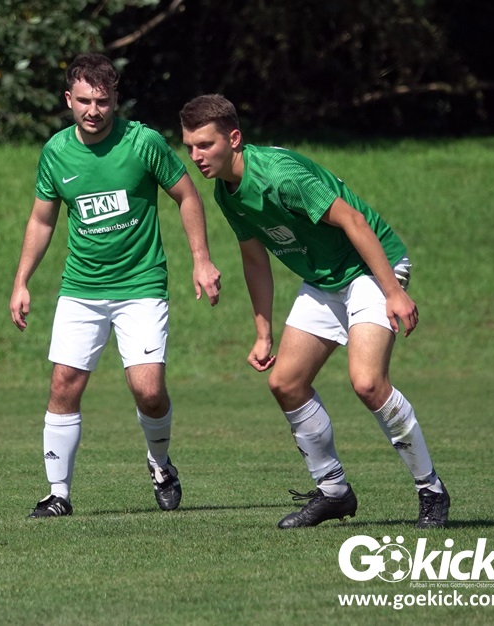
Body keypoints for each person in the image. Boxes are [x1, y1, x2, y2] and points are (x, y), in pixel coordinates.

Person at [179, 94, 450, 529]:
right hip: (324, 280)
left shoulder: (280, 176)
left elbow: (354, 222)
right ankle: (334, 492)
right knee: (285, 383)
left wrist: (393, 292)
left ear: (234, 138)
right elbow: (254, 260)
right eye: (190, 146)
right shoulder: (226, 194)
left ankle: (431, 490)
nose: (196, 156)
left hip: (370, 268)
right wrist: (263, 333)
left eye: (205, 145)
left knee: (367, 382)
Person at [9, 54, 221, 518]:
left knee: (148, 390)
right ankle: (58, 494)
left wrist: (201, 260)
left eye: (102, 101)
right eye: (84, 101)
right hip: (81, 288)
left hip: (141, 284)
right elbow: (42, 220)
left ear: (115, 100)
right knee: (64, 384)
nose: (93, 110)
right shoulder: (56, 152)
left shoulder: (143, 142)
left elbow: (187, 195)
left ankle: (160, 463)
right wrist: (22, 280)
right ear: (68, 99)